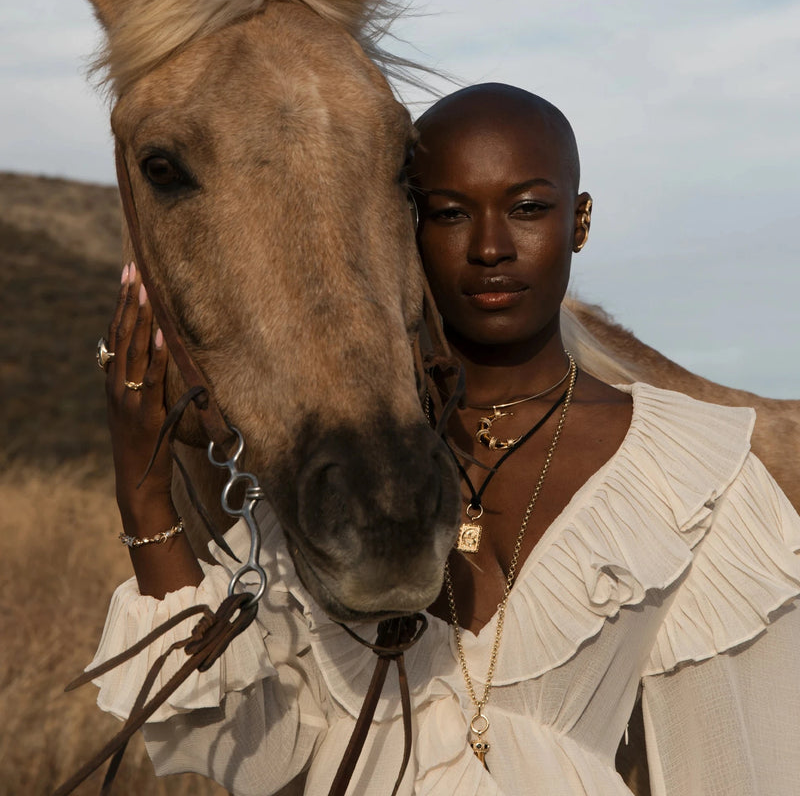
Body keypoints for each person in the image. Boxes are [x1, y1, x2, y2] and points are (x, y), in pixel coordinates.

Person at [92, 82, 800, 795]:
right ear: (404, 228)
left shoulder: (692, 475)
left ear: (580, 221)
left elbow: (737, 765)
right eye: (450, 214)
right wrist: (144, 491)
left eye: (528, 208)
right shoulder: (350, 473)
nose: (491, 248)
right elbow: (244, 741)